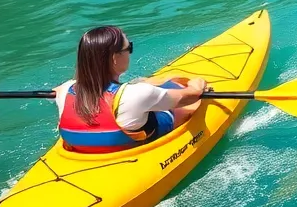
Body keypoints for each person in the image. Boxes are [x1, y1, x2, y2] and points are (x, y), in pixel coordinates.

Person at [54, 26, 206, 153]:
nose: (130, 52)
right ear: (114, 58)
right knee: (180, 98)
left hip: (84, 153)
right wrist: (196, 85)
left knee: (145, 93)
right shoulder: (137, 94)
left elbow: (62, 89)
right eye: (129, 48)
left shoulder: (64, 91)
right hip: (132, 147)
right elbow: (191, 96)